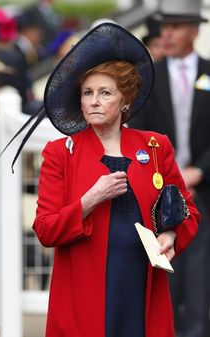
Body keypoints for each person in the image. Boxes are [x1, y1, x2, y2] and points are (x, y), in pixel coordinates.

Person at [4, 22, 200, 337]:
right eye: (87, 93)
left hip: (142, 285)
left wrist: (172, 236)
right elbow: (45, 228)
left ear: (125, 101)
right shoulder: (60, 153)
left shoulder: (154, 145)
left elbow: (187, 208)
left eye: (104, 93)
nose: (94, 101)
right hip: (84, 292)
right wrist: (90, 199)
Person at [128, 1, 210, 336]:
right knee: (163, 269)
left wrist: (199, 171)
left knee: (200, 274)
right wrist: (169, 174)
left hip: (203, 187)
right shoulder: (150, 76)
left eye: (176, 27)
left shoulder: (209, 72)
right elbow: (138, 130)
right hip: (160, 187)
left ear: (194, 30)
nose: (168, 34)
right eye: (166, 27)